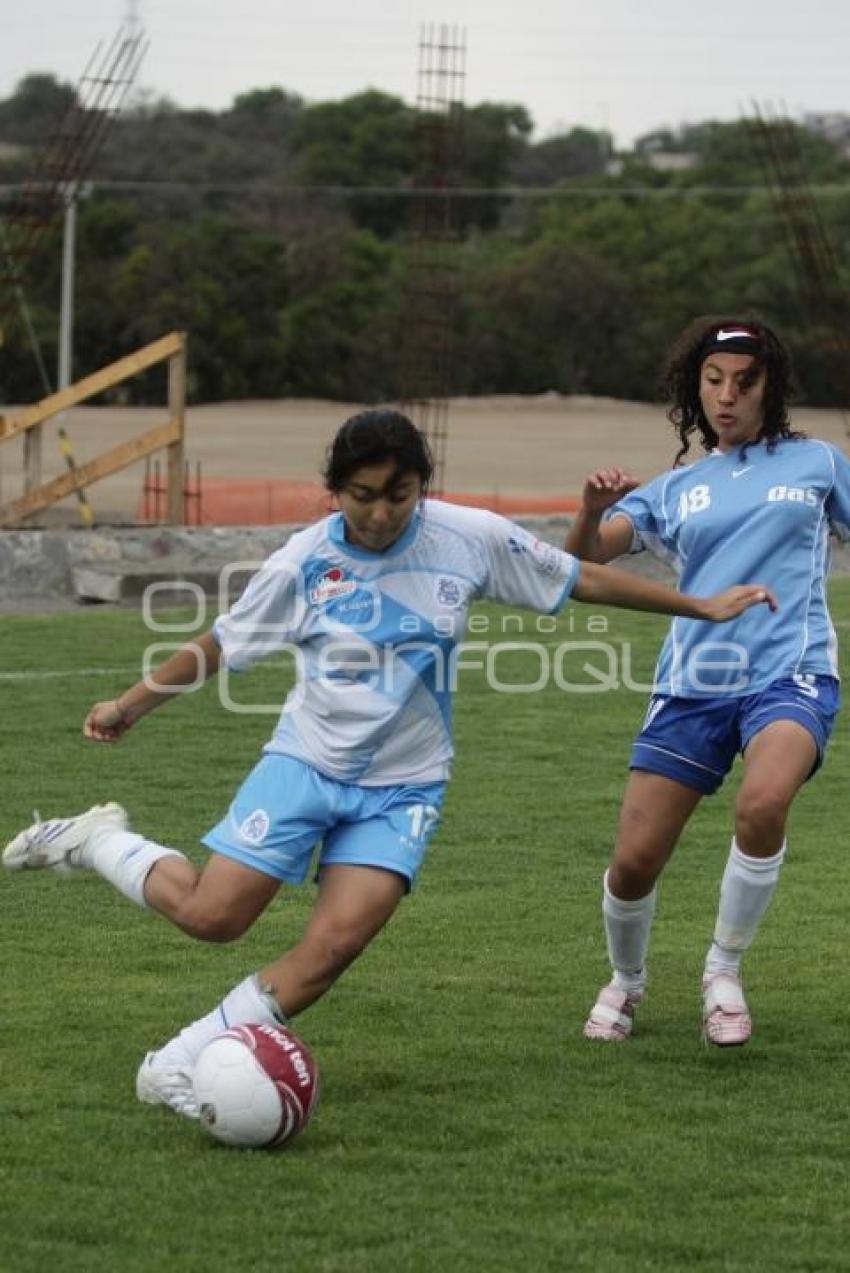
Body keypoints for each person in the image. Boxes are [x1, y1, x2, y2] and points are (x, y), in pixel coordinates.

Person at [3, 409, 773, 1120]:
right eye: (362, 495)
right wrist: (129, 704)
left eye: (398, 494)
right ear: (334, 489)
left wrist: (699, 605)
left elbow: (578, 579)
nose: (379, 513)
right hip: (304, 764)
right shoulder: (305, 560)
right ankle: (96, 837)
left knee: (333, 946)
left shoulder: (466, 536)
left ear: (421, 487)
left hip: (403, 788)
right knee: (214, 916)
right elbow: (220, 645)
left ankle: (175, 1060)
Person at [568, 316, 850, 1047]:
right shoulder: (676, 488)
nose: (728, 396)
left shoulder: (819, 463)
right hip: (692, 684)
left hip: (791, 673)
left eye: (745, 381)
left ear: (771, 387)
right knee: (632, 863)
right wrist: (590, 511)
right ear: (695, 388)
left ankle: (722, 970)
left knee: (762, 804)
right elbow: (587, 567)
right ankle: (626, 982)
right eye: (714, 380)